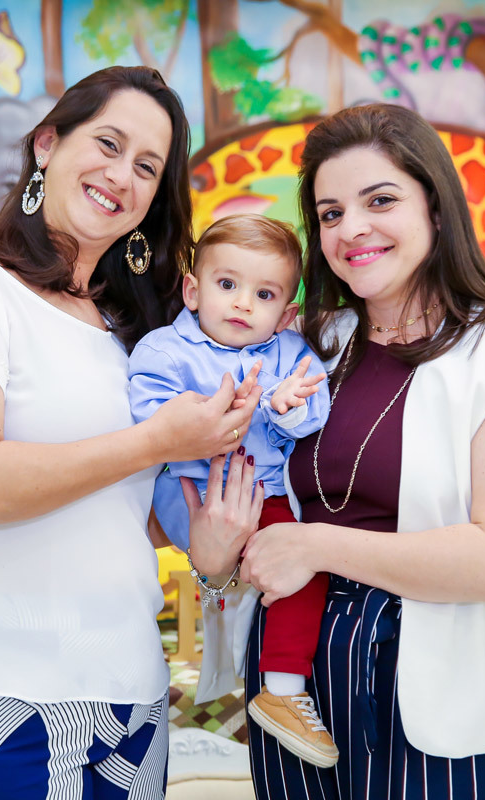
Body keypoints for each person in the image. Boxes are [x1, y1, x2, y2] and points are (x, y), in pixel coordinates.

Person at [186, 104, 485, 799]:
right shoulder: (311, 344)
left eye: (379, 201)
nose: (352, 228)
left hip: (427, 673)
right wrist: (219, 556)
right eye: (330, 213)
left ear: (435, 208)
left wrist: (315, 546)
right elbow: (251, 507)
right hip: (292, 670)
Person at [0, 66, 262, 799]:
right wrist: (157, 443)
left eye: (147, 167)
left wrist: (215, 542)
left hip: (127, 698)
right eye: (108, 144)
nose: (122, 175)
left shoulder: (135, 333)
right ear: (47, 143)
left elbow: (123, 512)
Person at [127, 214, 337, 767]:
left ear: (285, 313)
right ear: (193, 291)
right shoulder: (164, 351)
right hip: (194, 496)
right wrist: (215, 416)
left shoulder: (290, 352)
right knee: (283, 563)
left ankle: (282, 690)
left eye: (264, 294)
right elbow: (148, 418)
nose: (243, 304)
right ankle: (279, 680)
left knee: (301, 564)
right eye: (227, 284)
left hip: (266, 495)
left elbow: (315, 408)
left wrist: (285, 408)